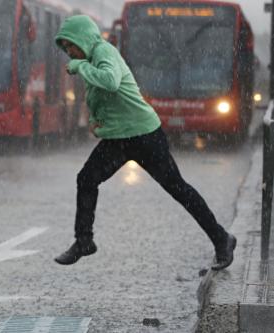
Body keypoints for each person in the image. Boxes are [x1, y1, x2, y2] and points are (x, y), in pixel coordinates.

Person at [52, 15, 237, 271]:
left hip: (145, 136)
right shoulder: (91, 60)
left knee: (178, 189)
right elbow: (100, 95)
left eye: (71, 45)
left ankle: (222, 239)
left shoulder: (104, 52)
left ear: (83, 38)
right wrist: (96, 120)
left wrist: (79, 67)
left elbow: (110, 81)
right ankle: (84, 241)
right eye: (65, 49)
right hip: (118, 139)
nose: (69, 53)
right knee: (86, 179)